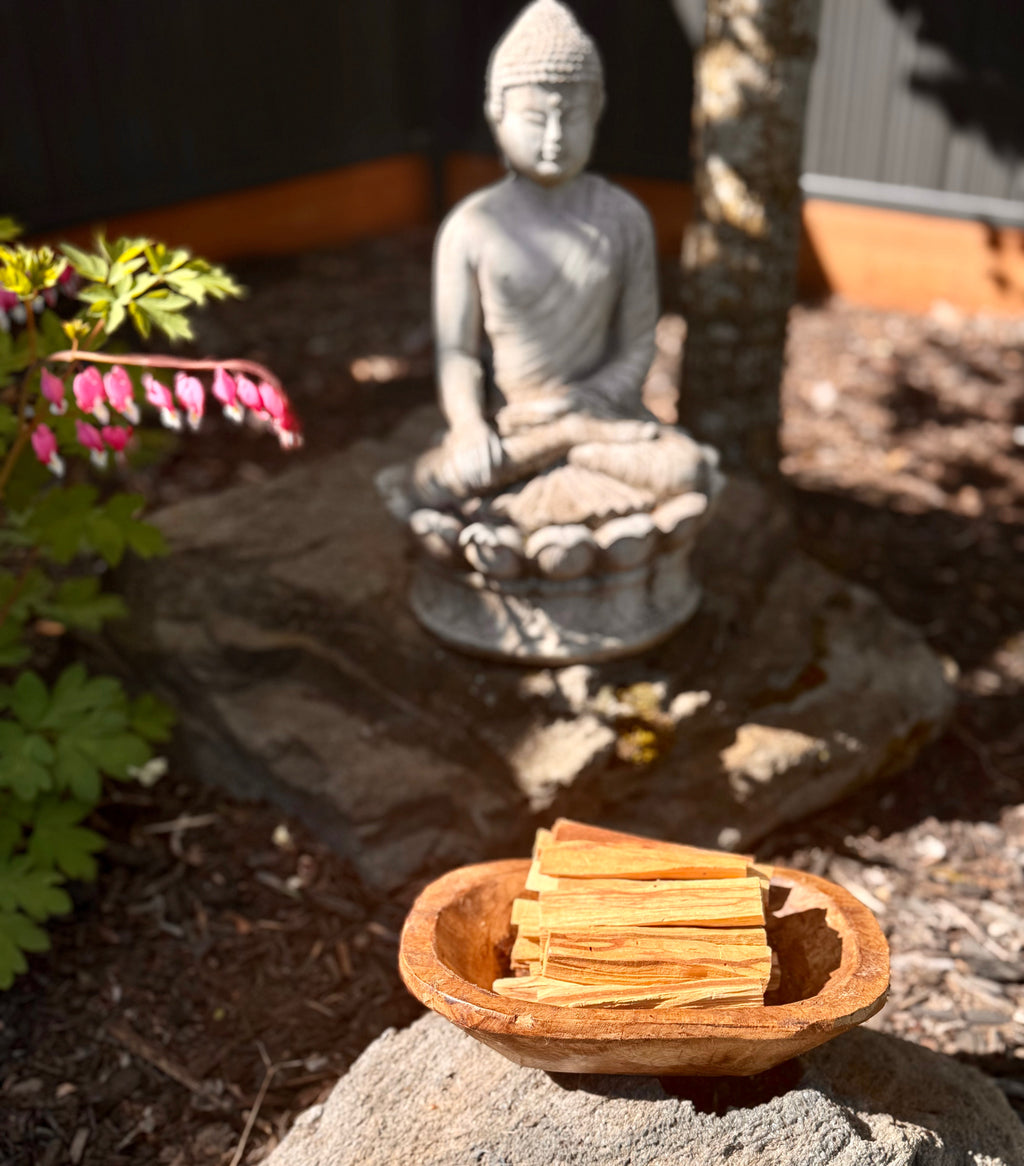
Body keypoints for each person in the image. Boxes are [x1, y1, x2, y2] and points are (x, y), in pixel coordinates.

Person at [412, 0, 662, 508]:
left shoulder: (624, 218)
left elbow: (638, 346)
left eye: (571, 119)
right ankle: (559, 446)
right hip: (516, 423)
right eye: (534, 118)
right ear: (496, 115)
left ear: (596, 113)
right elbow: (456, 351)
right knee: (435, 483)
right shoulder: (470, 228)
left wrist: (581, 406)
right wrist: (466, 426)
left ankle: (566, 441)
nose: (554, 139)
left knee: (685, 468)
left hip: (603, 416)